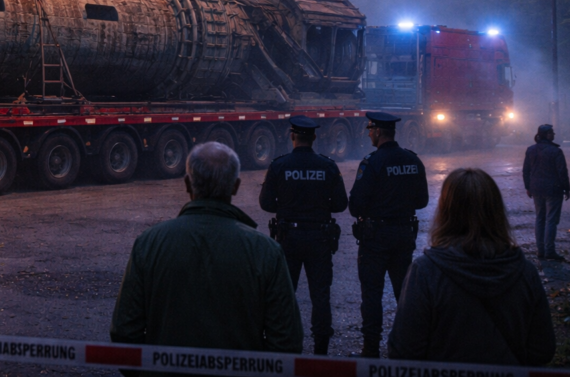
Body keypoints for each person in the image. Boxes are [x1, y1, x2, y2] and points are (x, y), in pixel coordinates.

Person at [110, 142, 302, 374]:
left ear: (187, 183)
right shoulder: (266, 251)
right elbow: (286, 343)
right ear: (235, 186)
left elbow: (124, 334)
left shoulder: (149, 243)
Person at [388, 168, 556, 365]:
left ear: (445, 212)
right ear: (496, 211)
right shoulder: (525, 272)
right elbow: (543, 350)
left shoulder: (425, 272)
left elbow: (403, 350)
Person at [259, 116, 347, 355]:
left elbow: (266, 203)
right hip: (320, 237)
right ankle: (321, 350)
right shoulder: (328, 166)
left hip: (289, 237)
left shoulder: (279, 165)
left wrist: (286, 206)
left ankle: (286, 348)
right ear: (314, 138)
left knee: (285, 295)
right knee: (321, 295)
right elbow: (340, 204)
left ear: (292, 137)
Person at [348, 111, 428, 358]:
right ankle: (409, 347)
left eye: (370, 130)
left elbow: (355, 206)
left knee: (372, 294)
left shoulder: (372, 162)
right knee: (404, 292)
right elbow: (422, 201)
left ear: (377, 132)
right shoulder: (413, 160)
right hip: (404, 234)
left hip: (376, 237)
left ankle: (371, 349)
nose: (369, 135)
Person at [522, 124, 570, 261]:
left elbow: (526, 171)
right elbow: (562, 172)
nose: (553, 134)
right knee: (551, 220)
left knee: (540, 218)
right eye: (551, 133)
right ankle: (549, 250)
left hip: (536, 188)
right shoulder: (556, 151)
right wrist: (566, 188)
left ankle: (540, 250)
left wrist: (528, 187)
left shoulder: (531, 150)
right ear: (545, 135)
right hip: (553, 189)